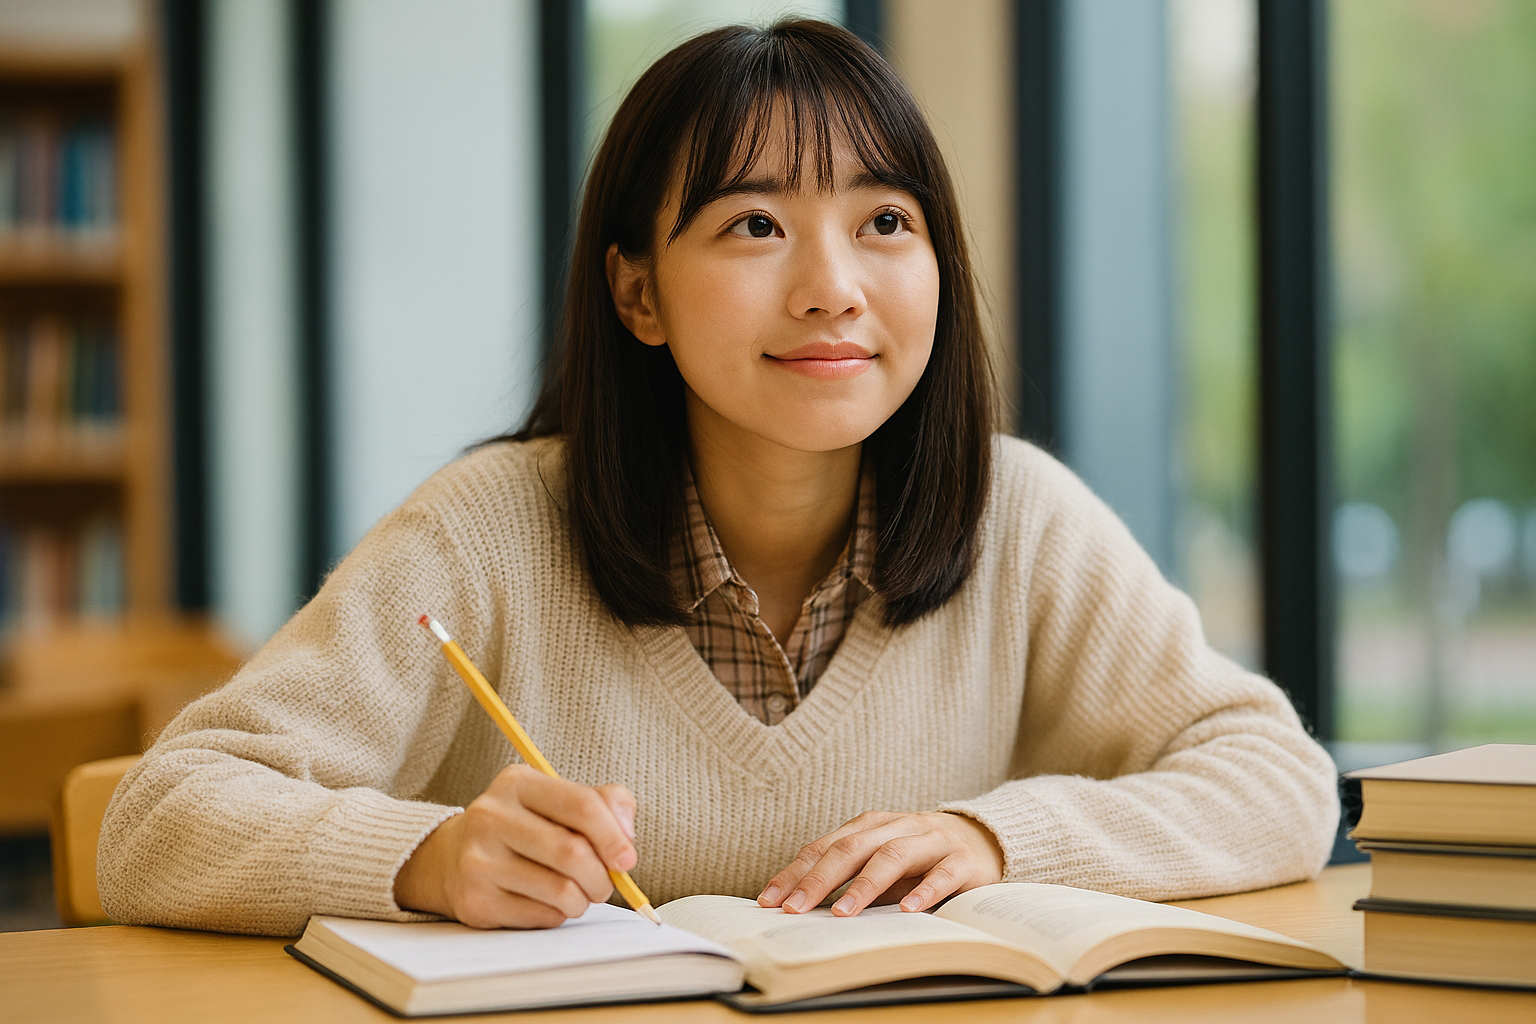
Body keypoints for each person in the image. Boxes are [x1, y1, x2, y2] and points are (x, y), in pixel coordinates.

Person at [99, 20, 1337, 937]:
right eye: (755, 225)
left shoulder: (1018, 518)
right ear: (637, 289)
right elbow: (159, 819)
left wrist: (997, 835)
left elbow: (1279, 779)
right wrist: (428, 854)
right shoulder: (488, 532)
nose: (832, 286)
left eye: (885, 222)